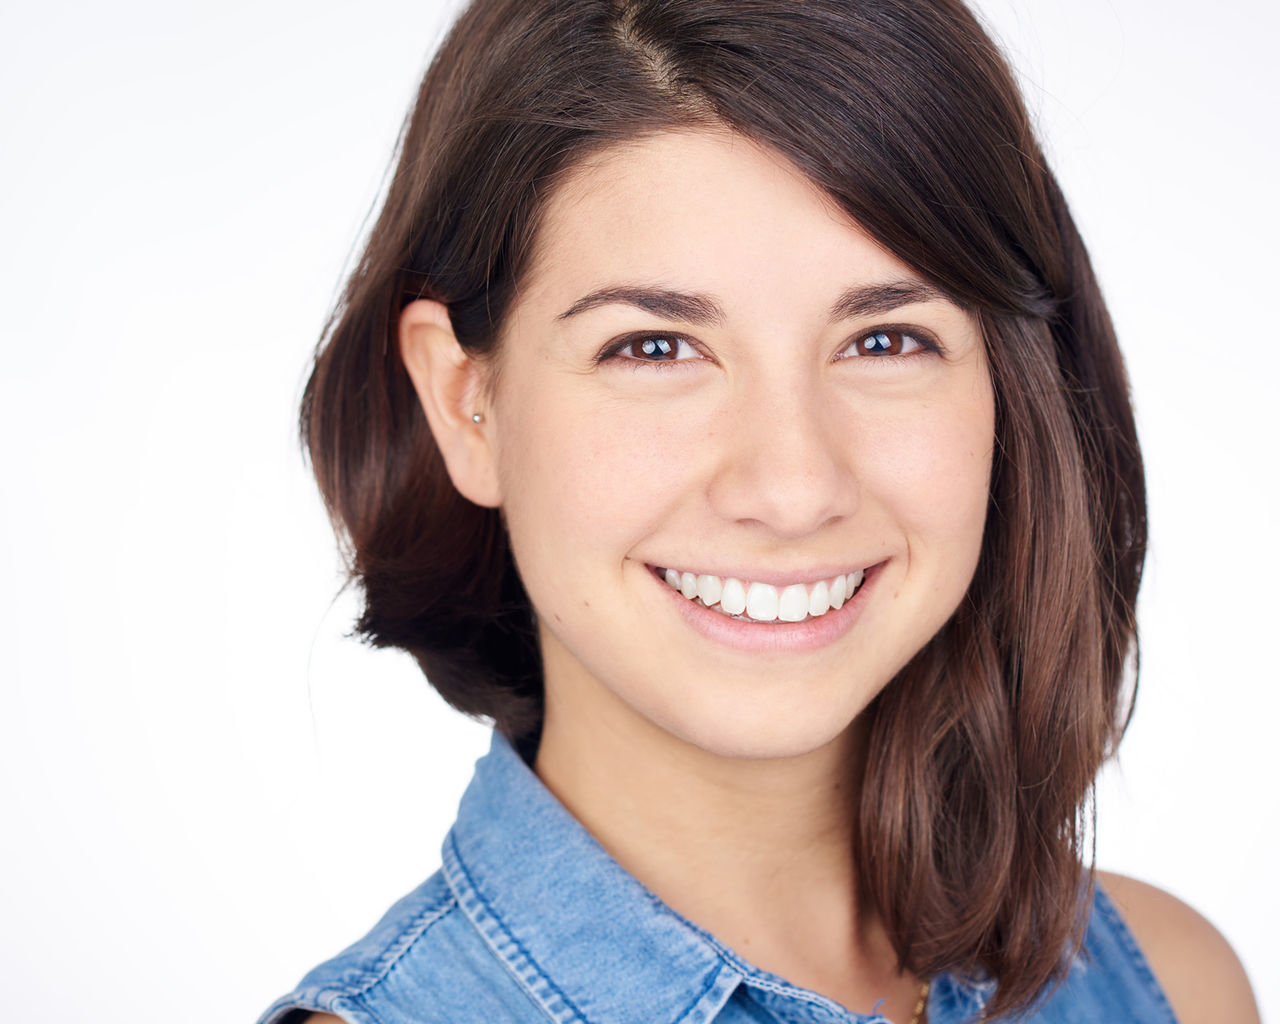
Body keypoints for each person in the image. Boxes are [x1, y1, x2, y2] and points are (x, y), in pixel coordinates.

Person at [258, 1, 1260, 1021]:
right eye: (652, 347)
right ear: (466, 403)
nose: (789, 489)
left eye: (884, 341)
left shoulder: (1165, 987)